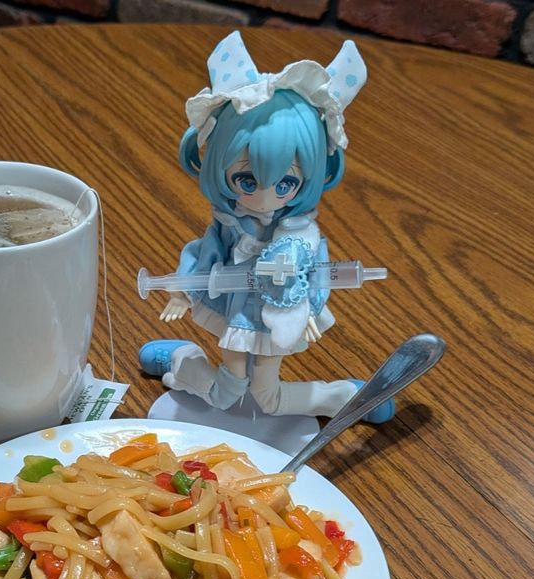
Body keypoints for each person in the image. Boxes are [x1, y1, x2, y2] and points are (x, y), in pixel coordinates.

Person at [139, 31, 392, 422]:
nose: (264, 198)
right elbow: (204, 253)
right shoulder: (229, 223)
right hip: (236, 309)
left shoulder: (300, 235)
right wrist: (182, 291)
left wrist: (308, 305)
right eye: (246, 181)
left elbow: (316, 273)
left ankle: (342, 397)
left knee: (267, 396)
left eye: (286, 184)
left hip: (280, 314)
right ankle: (183, 357)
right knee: (227, 392)